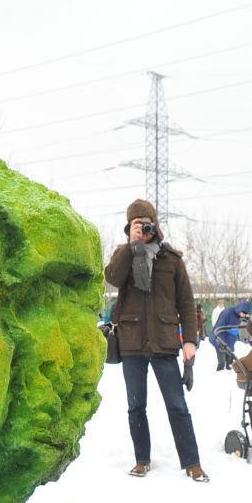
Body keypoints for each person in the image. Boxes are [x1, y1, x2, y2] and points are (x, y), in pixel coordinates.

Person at [103, 199, 208, 483]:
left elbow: (186, 304)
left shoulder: (171, 259)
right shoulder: (123, 256)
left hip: (163, 343)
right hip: (132, 343)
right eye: (137, 224)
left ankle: (192, 462)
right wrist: (130, 245)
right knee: (136, 406)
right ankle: (141, 459)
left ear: (156, 224)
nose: (144, 229)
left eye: (147, 223)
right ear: (129, 227)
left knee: (177, 405)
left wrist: (190, 341)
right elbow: (112, 278)